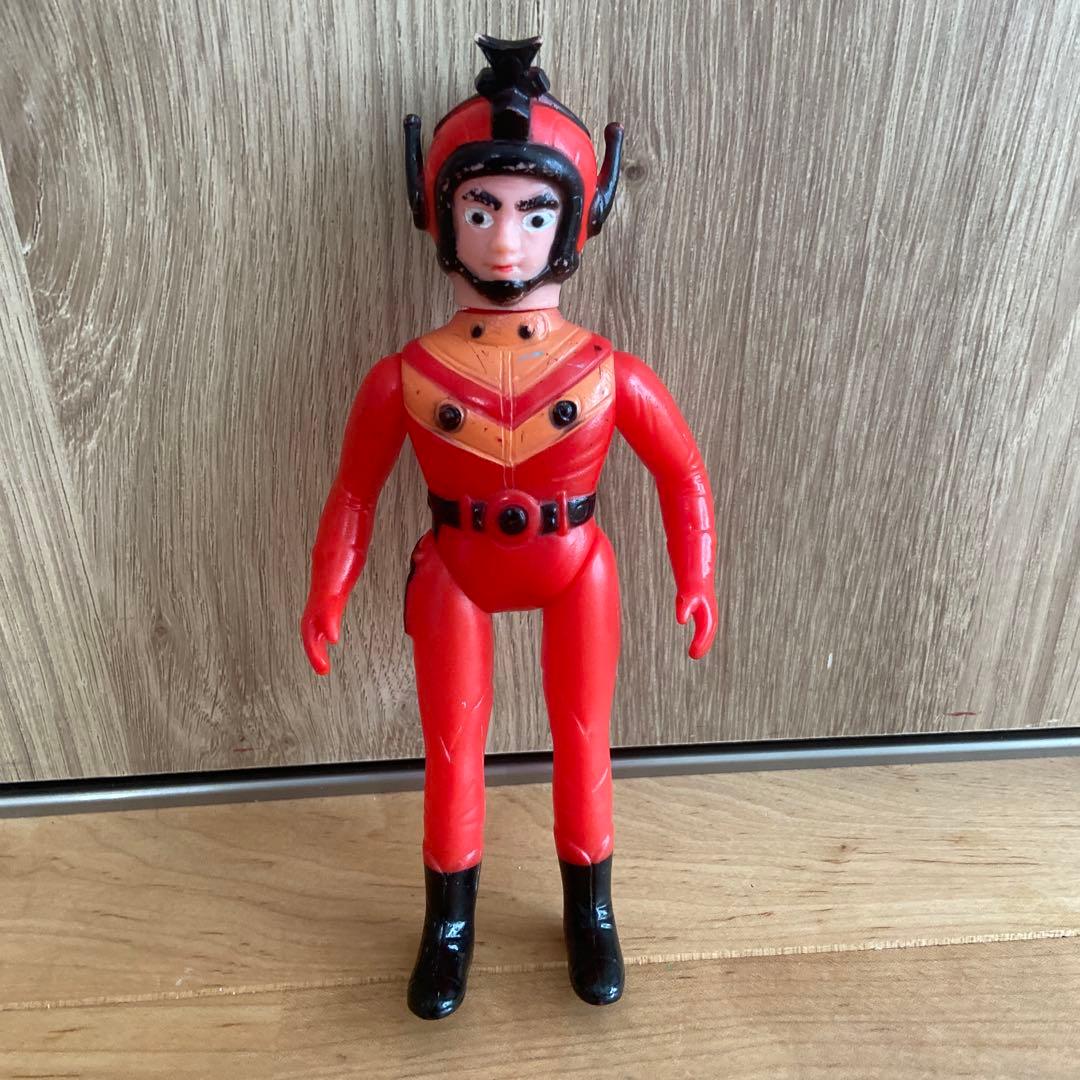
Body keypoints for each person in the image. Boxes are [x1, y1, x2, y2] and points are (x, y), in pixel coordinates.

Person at [301, 34, 718, 1020]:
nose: (504, 242)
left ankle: (591, 909)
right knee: (452, 746)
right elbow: (354, 491)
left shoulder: (606, 372)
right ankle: (447, 923)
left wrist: (696, 574)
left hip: (575, 564)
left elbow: (683, 472)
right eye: (480, 208)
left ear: (575, 222)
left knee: (585, 738)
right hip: (458, 564)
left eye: (534, 213)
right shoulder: (405, 376)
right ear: (440, 215)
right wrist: (328, 587)